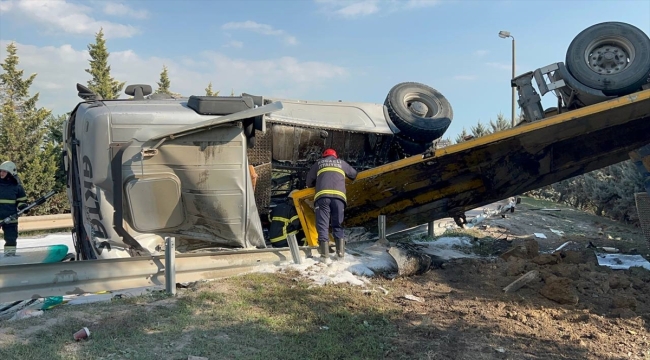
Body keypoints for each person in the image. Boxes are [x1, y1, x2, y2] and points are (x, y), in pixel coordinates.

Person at [305, 148, 357, 260]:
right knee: (338, 224)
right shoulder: (342, 163)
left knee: (323, 224)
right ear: (335, 156)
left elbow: (308, 181)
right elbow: (354, 174)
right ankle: (341, 253)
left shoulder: (319, 163)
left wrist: (316, 182)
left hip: (323, 198)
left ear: (324, 156)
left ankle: (324, 254)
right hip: (339, 199)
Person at [0, 161, 28, 257]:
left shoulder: (17, 187)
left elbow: (21, 200)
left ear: (11, 173)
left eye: (4, 171)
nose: (1, 173)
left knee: (11, 238)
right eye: (1, 171)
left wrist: (23, 206)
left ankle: (10, 256)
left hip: (11, 218)